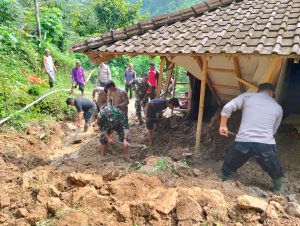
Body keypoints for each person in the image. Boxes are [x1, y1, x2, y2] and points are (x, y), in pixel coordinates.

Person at [219, 83, 284, 192]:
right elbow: (273, 131)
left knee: (229, 164)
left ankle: (221, 184)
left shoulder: (247, 96)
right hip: (265, 144)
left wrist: (223, 125)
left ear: (259, 91)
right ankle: (280, 190)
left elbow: (227, 107)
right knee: (275, 168)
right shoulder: (278, 107)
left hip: (244, 142)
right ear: (271, 93)